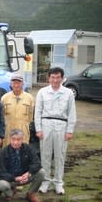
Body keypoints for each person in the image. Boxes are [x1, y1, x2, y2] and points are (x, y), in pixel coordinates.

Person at [34, 67, 76, 195]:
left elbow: (72, 113)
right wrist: (38, 129)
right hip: (46, 124)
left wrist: (69, 130)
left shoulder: (68, 93)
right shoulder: (42, 92)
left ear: (62, 78)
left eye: (58, 77)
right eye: (53, 77)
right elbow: (38, 112)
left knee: (60, 155)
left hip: (61, 125)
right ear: (49, 78)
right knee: (45, 155)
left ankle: (58, 182)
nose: (55, 80)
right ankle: (45, 182)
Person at [0, 129, 45, 202]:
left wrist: (29, 173)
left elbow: (37, 163)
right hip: (11, 179)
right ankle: (10, 193)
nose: (15, 142)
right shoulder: (4, 152)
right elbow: (0, 172)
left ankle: (31, 194)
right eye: (13, 139)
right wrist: (14, 178)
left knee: (41, 172)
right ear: (10, 139)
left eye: (18, 140)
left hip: (25, 177)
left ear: (22, 139)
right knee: (1, 184)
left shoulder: (28, 148)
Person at [1, 74, 34, 147]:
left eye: (18, 83)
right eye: (14, 83)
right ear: (11, 84)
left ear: (22, 83)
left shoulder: (29, 98)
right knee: (8, 149)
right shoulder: (5, 98)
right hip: (8, 129)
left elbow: (30, 115)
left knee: (23, 149)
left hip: (23, 129)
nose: (16, 85)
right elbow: (1, 116)